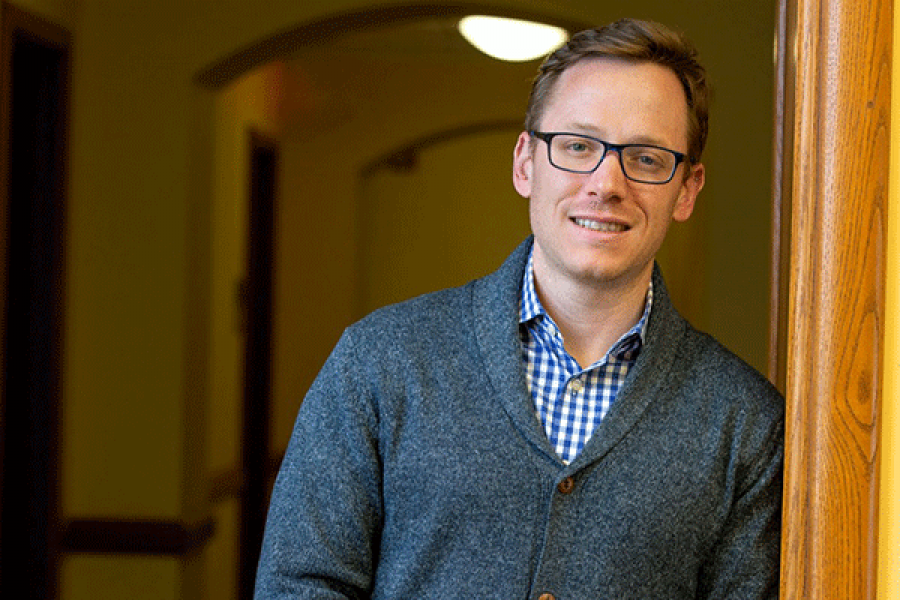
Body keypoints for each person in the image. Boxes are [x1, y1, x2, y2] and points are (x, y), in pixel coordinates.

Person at [254, 17, 784, 599]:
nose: (607, 184)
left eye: (648, 158)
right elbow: (299, 585)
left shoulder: (745, 423)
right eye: (578, 146)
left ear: (687, 189)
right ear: (525, 163)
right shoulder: (379, 362)